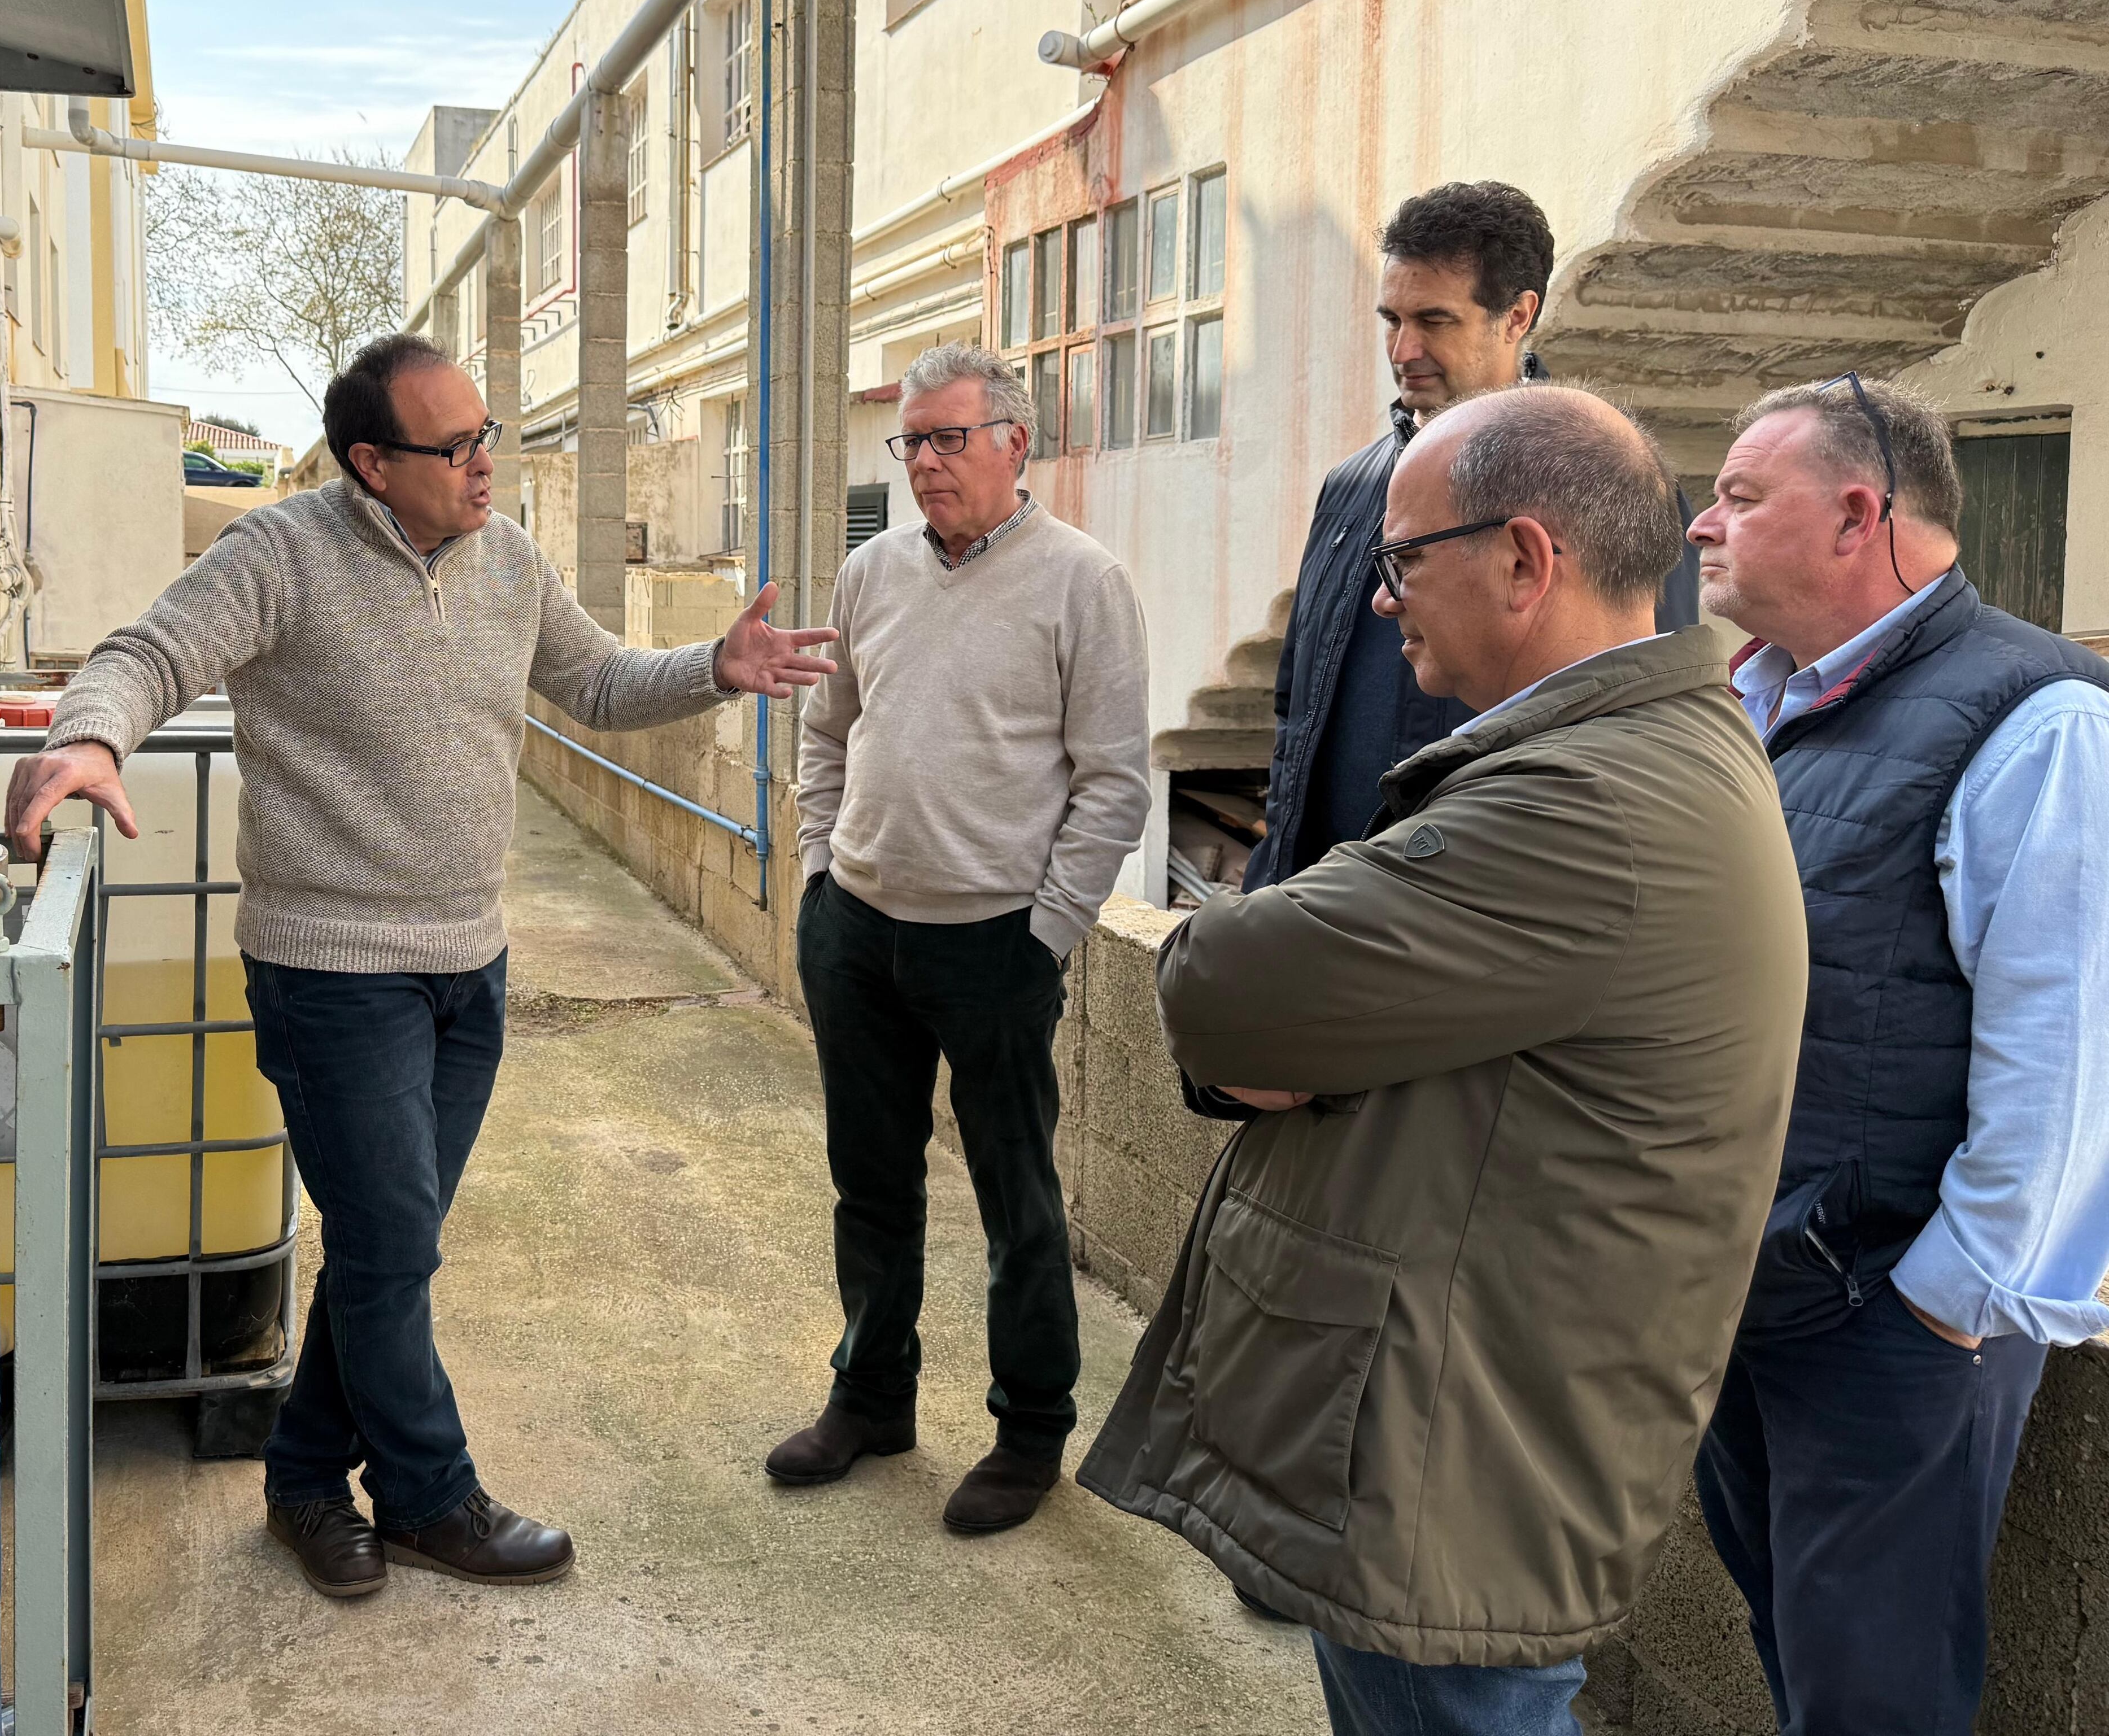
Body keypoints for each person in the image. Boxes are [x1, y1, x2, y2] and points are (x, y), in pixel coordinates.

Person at [3, 333, 838, 1599]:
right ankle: (429, 1498)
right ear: (371, 464)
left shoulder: (510, 562)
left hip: (470, 961)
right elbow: (147, 656)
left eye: (485, 434)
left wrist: (713, 669)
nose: (484, 463)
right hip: (333, 973)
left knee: (384, 1250)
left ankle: (301, 1481)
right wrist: (90, 740)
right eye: (453, 448)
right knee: (393, 1248)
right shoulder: (279, 555)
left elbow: (599, 683)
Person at [1082, 386, 1810, 1736]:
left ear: (1525, 559)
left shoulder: (1583, 803)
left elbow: (1218, 981)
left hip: (1450, 1459)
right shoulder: (1629, 751)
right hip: (1461, 1417)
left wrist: (1315, 1044)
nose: (1378, 598)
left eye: (1403, 559)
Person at [1685, 375, 2109, 1735]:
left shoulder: (2043, 721)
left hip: (1887, 1317)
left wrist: (1947, 1301)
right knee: (1799, 1654)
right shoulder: (1755, 703)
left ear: (1856, 515)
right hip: (1751, 1283)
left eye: (1740, 496)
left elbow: (2069, 1050)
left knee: (1874, 1697)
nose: (1702, 524)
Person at [768, 342, 1150, 1536]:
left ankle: (1030, 1432)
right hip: (855, 931)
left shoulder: (1083, 582)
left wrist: (1045, 936)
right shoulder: (871, 571)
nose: (924, 463)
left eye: (948, 438)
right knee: (869, 1187)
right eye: (912, 441)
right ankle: (872, 1398)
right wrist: (820, 869)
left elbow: (1114, 783)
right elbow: (828, 730)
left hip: (993, 946)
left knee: (1015, 1200)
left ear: (1014, 443)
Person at [1242, 180, 1552, 899]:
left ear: (1517, 316)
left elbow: (1627, 731)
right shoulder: (1350, 486)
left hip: (1468, 922)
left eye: (1434, 320)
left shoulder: (1594, 486)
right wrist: (1270, 878)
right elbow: (1295, 712)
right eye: (1391, 319)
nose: (1403, 349)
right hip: (1314, 908)